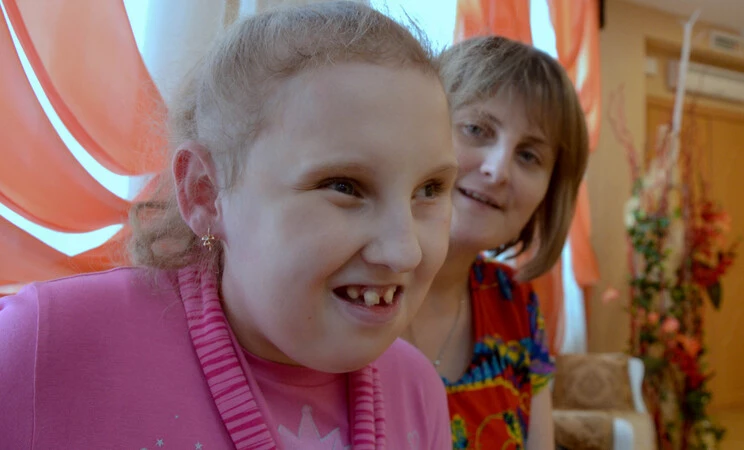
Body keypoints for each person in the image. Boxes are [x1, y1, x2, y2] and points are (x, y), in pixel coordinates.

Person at [0, 2, 458, 448]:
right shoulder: (45, 346)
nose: (405, 251)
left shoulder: (417, 391)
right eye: (344, 186)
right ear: (205, 193)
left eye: (430, 189)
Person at [403, 36, 589, 450]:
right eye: (476, 130)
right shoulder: (347, 284)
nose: (498, 169)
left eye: (529, 156)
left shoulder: (518, 307)